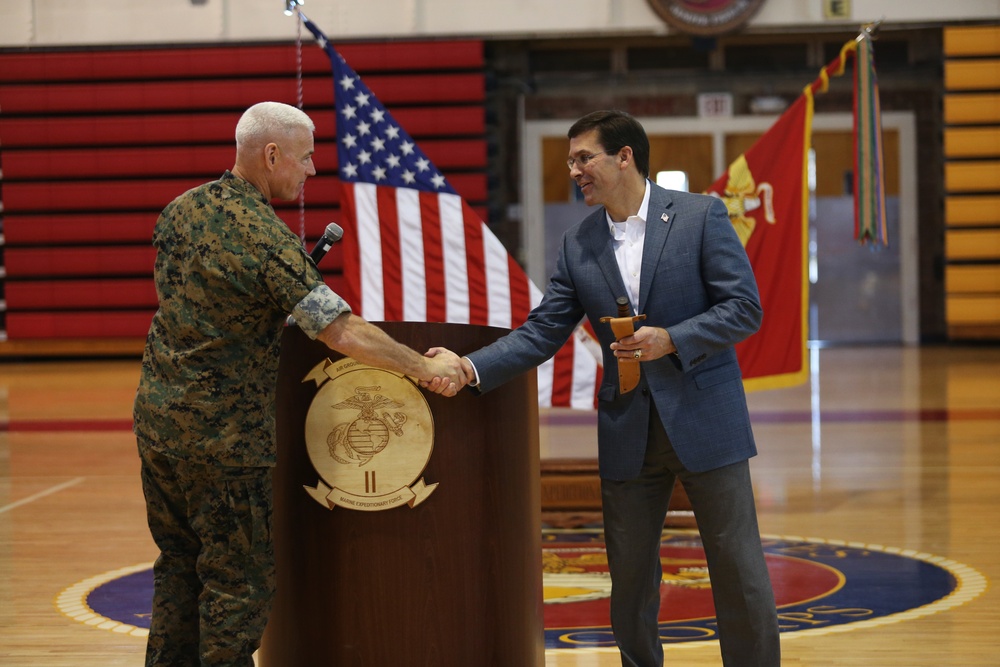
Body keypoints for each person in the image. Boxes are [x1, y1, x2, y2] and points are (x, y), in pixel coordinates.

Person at [431, 109, 780, 666]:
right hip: (627, 431)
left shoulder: (700, 215)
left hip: (706, 420)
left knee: (737, 569)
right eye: (570, 161)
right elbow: (542, 331)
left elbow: (744, 308)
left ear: (624, 157)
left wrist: (672, 339)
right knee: (630, 582)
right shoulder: (578, 243)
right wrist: (468, 367)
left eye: (583, 158)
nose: (574, 171)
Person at [132, 101, 464, 667]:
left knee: (179, 566)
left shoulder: (181, 210)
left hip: (159, 426)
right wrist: (423, 366)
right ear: (271, 155)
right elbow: (342, 331)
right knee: (237, 586)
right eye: (305, 157)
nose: (312, 170)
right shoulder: (265, 238)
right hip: (223, 440)